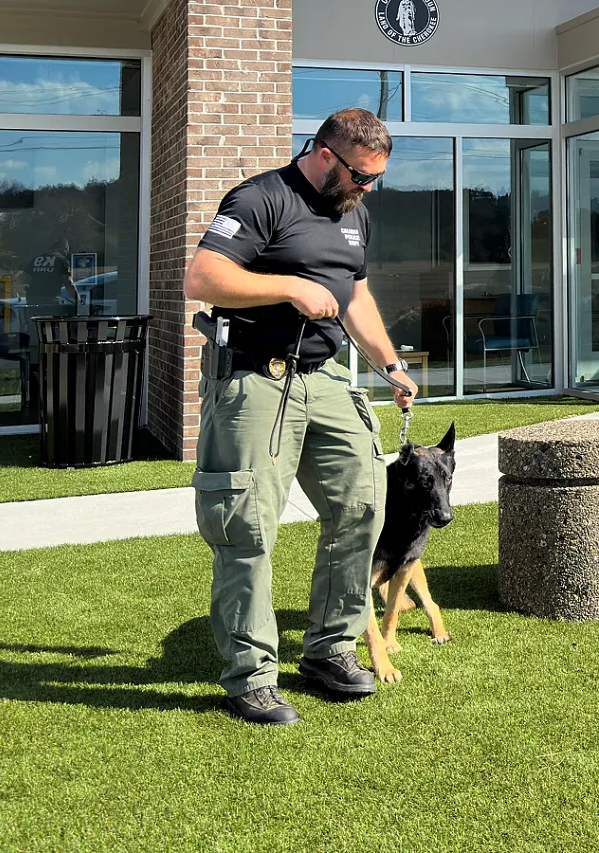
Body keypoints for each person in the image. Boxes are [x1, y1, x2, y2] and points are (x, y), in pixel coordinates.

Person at [184, 108, 418, 725]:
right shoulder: (261, 199)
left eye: (376, 178)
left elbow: (355, 295)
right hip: (256, 379)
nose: (367, 189)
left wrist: (390, 364)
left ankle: (331, 650)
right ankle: (251, 678)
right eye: (361, 175)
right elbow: (202, 277)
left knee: (362, 506)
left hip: (325, 376)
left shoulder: (354, 212)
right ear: (324, 154)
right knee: (247, 527)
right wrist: (288, 286)